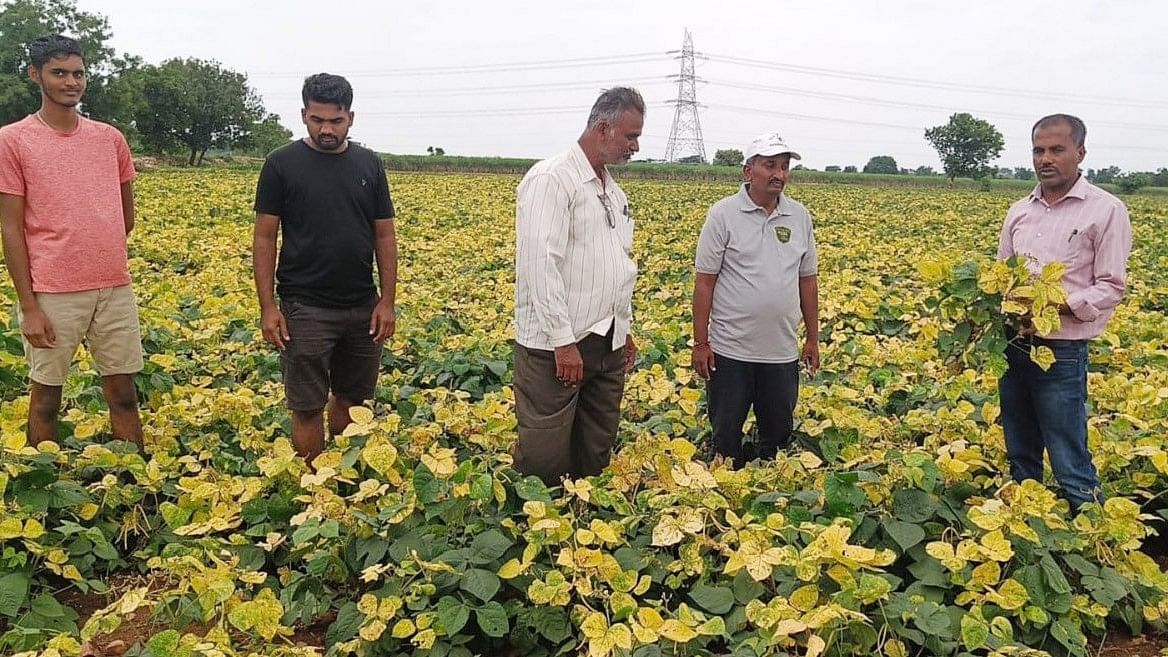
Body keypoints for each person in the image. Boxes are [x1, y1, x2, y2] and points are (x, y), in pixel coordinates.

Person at [0, 35, 143, 448]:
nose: (71, 82)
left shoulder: (109, 138)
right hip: (52, 292)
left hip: (114, 287)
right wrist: (28, 306)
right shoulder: (14, 140)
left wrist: (97, 248)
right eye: (59, 73)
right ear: (35, 75)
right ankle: (40, 483)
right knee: (46, 397)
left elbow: (125, 214)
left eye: (78, 73)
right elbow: (10, 228)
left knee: (124, 395)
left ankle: (135, 490)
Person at [252, 73, 397, 464]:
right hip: (305, 305)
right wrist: (269, 307)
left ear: (351, 117)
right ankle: (313, 480)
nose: (326, 129)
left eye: (335, 120)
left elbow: (384, 235)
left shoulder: (369, 165)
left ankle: (344, 474)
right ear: (303, 115)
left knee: (353, 398)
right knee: (306, 404)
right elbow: (265, 237)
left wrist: (387, 301)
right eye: (317, 120)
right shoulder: (281, 164)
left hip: (361, 304)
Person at [997, 113, 1132, 511]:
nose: (1046, 159)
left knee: (1068, 456)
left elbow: (1111, 286)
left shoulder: (1105, 210)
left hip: (1062, 352)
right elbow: (1001, 275)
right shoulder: (1020, 211)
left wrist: (1053, 306)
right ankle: (1026, 527)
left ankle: (1092, 544)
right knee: (1020, 449)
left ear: (1080, 152)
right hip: (1015, 348)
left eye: (1057, 149)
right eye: (1039, 150)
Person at [511, 87, 644, 485]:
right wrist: (563, 342)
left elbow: (616, 263)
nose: (635, 146)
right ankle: (539, 532)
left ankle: (583, 532)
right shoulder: (553, 179)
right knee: (544, 457)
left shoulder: (611, 190)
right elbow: (540, 264)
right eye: (630, 136)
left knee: (595, 451)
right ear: (603, 129)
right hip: (556, 347)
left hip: (606, 341)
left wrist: (624, 329)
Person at [691, 132, 819, 467]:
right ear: (748, 171)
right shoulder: (723, 215)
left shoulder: (799, 217)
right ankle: (723, 491)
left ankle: (768, 496)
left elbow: (807, 281)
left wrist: (813, 339)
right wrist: (701, 342)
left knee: (777, 437)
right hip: (730, 350)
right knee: (725, 435)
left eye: (784, 166)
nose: (779, 174)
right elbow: (705, 282)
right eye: (770, 165)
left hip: (780, 351)